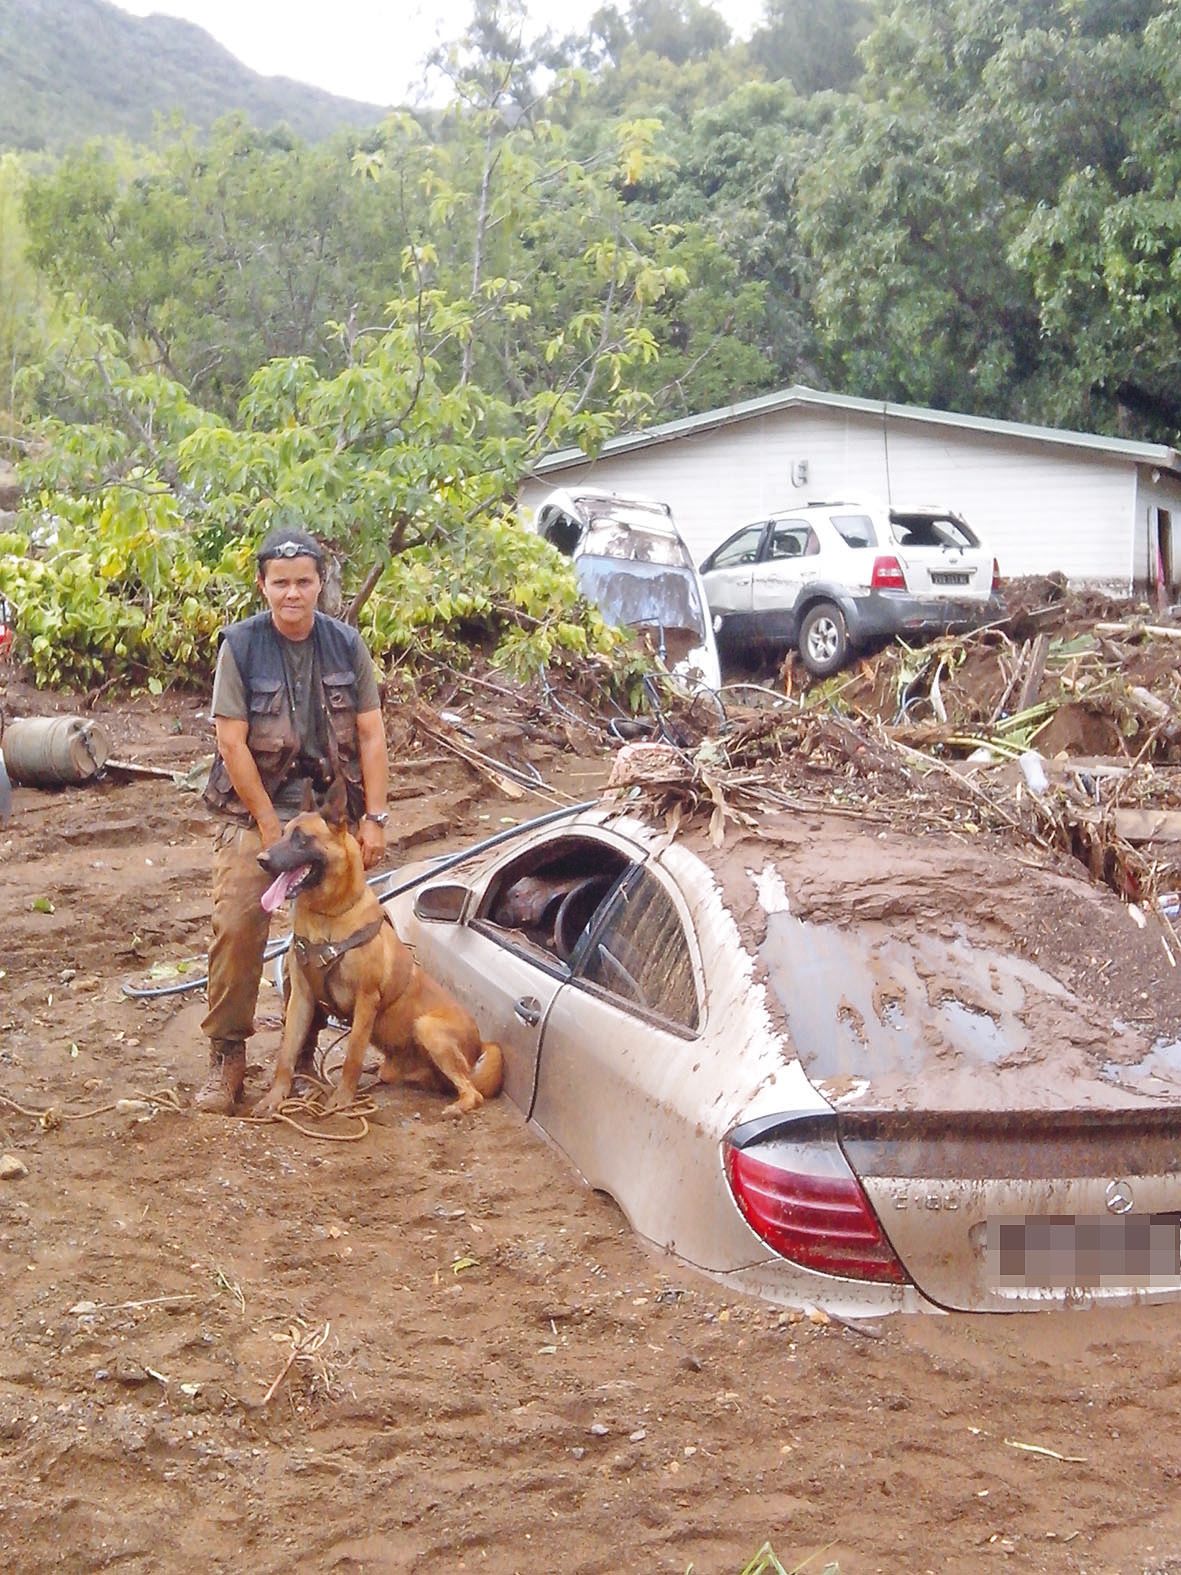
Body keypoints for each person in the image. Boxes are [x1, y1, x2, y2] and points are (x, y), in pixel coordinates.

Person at [195, 524, 390, 1114]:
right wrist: (272, 830)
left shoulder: (346, 645)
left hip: (331, 812)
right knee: (238, 921)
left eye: (304, 581)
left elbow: (371, 733)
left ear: (320, 583)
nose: (292, 593)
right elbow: (232, 744)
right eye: (280, 582)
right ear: (262, 585)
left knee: (345, 932)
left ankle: (302, 1053)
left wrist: (375, 818)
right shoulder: (241, 645)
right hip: (260, 806)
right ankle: (228, 1058)